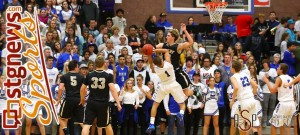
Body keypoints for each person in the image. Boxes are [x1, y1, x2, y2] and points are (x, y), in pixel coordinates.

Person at [146, 49, 187, 134]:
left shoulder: (156, 69)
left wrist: (149, 54)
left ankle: (151, 123)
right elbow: (166, 51)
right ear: (162, 60)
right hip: (173, 84)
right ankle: (181, 114)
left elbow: (151, 63)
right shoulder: (169, 65)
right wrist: (155, 50)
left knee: (155, 105)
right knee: (182, 104)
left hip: (163, 86)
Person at [79, 56, 122, 135]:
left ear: (95, 64)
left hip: (91, 103)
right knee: (107, 125)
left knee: (86, 125)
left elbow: (82, 89)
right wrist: (118, 103)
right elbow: (112, 89)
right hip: (103, 104)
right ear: (103, 64)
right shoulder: (108, 75)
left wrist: (82, 99)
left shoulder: (89, 75)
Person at [262, 63, 297, 135]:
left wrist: (267, 81)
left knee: (273, 124)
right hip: (291, 104)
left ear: (281, 70)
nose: (277, 69)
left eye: (278, 68)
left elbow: (272, 90)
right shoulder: (290, 78)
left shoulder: (279, 78)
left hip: (283, 104)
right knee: (283, 124)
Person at [230, 60, 259, 135]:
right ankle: (255, 132)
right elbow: (255, 85)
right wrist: (253, 93)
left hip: (243, 102)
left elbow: (236, 87)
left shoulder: (233, 77)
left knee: (240, 124)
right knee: (252, 122)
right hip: (252, 100)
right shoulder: (245, 74)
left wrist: (232, 101)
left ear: (233, 68)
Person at [57, 60, 85, 135]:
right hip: (78, 99)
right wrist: (82, 99)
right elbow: (83, 90)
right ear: (76, 67)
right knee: (82, 123)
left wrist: (59, 99)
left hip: (69, 99)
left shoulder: (64, 76)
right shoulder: (81, 77)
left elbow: (60, 88)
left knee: (61, 118)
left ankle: (66, 132)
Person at [258, 59, 278, 127]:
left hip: (273, 90)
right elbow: (260, 84)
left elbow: (276, 81)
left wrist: (269, 77)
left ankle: (270, 121)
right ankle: (264, 122)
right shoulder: (261, 72)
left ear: (268, 64)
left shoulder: (273, 70)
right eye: (263, 64)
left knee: (272, 107)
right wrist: (265, 80)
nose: (265, 65)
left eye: (266, 63)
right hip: (265, 91)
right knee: (265, 107)